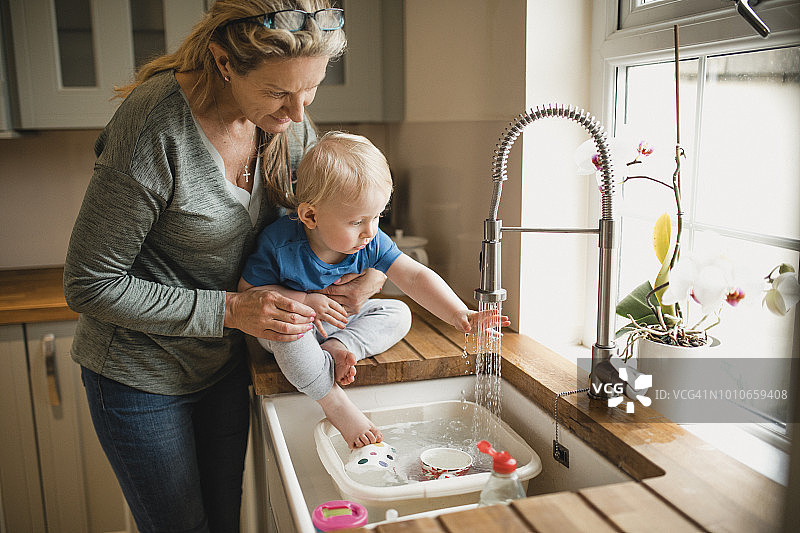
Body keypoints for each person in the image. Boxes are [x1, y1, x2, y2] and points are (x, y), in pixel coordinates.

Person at [63, 2, 386, 532]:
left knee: (223, 522)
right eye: (278, 93)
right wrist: (235, 308)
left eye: (311, 91)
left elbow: (332, 209)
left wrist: (370, 270)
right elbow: (89, 282)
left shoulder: (287, 125)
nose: (298, 114)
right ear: (224, 62)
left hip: (225, 366)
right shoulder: (155, 126)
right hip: (140, 374)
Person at [238, 131, 510, 449]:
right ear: (311, 216)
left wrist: (458, 313)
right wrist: (304, 300)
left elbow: (414, 277)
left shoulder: (371, 239)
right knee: (285, 332)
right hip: (291, 329)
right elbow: (248, 293)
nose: (371, 231)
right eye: (358, 221)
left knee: (398, 312)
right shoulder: (279, 243)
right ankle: (334, 402)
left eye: (378, 216)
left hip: (334, 325)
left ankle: (339, 347)